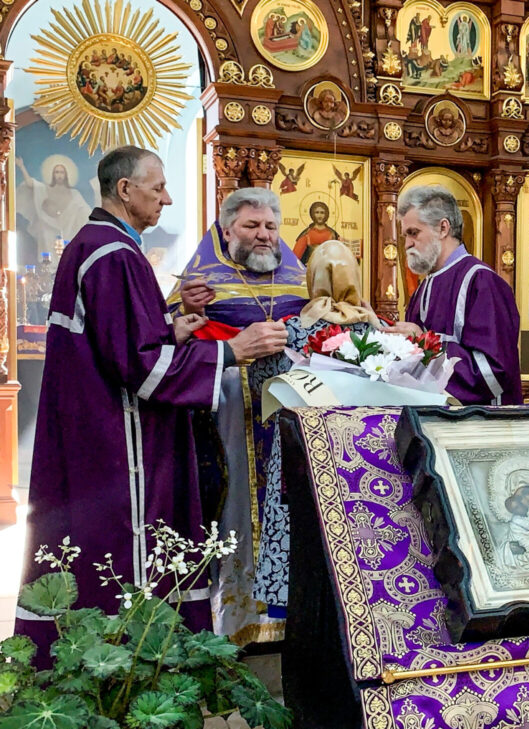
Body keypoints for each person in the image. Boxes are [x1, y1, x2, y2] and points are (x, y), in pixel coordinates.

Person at [15, 147, 287, 661]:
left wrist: (172, 327)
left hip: (95, 427)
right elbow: (139, 367)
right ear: (125, 189)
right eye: (158, 187)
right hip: (119, 439)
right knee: (123, 550)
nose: (167, 198)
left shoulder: (101, 245)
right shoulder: (114, 254)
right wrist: (231, 350)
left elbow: (120, 338)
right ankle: (129, 661)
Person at [169, 187, 308, 645]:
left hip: (288, 418)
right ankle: (233, 622)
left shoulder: (300, 278)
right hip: (228, 420)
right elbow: (168, 342)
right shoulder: (199, 281)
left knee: (286, 509)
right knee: (233, 511)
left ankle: (286, 618)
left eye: (271, 226)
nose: (264, 235)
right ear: (227, 230)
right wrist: (190, 313)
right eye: (252, 225)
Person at [253, 240, 379, 614]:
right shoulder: (379, 331)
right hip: (361, 456)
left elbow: (260, 381)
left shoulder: (292, 330)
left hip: (302, 453)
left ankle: (294, 614)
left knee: (299, 533)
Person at [386, 185, 522, 405]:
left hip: (478, 421)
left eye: (413, 233)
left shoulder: (482, 282)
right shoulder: (422, 289)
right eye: (405, 236)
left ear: (443, 228)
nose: (407, 244)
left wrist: (424, 343)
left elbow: (493, 372)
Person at [16, 156, 93, 257]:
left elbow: (86, 211)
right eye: (57, 172)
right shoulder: (46, 189)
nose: (59, 175)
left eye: (62, 172)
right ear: (53, 174)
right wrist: (21, 167)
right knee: (44, 232)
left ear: (66, 175)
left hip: (68, 228)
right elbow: (31, 184)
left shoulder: (74, 193)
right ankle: (48, 263)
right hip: (49, 227)